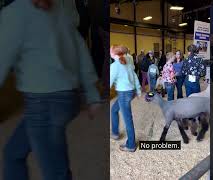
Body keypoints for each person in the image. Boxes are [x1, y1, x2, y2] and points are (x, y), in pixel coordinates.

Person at [0, 0, 102, 179]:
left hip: (43, 103)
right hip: (67, 98)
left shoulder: (15, 12)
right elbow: (80, 50)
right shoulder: (61, 8)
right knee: (13, 154)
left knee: (55, 173)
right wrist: (91, 92)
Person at [110, 45, 141, 153]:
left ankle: (131, 145)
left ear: (114, 53)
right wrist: (138, 90)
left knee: (128, 119)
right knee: (114, 110)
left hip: (124, 94)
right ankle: (115, 133)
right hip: (130, 92)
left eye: (110, 49)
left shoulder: (114, 66)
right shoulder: (128, 60)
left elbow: (109, 81)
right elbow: (134, 76)